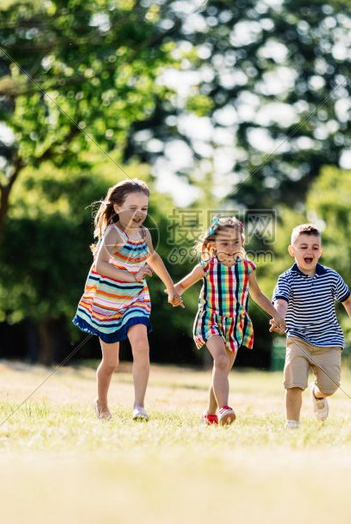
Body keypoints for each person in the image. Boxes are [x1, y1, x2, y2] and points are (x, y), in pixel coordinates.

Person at [73, 179, 181, 422]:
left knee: (141, 343)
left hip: (135, 298)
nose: (139, 213)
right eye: (133, 208)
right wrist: (132, 275)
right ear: (118, 207)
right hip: (108, 302)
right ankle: (101, 404)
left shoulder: (144, 234)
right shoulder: (114, 233)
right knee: (111, 362)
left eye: (144, 208)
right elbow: (100, 265)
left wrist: (171, 288)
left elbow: (153, 258)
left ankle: (139, 406)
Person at [173, 217, 285, 426]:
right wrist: (174, 294)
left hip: (235, 324)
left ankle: (211, 412)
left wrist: (276, 314)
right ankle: (225, 407)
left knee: (221, 369)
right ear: (213, 244)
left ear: (242, 242)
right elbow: (180, 285)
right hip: (210, 320)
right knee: (221, 361)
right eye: (225, 243)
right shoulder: (206, 267)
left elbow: (258, 295)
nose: (231, 247)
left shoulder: (247, 268)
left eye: (236, 242)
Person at [272, 223, 351, 429]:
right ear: (292, 251)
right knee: (293, 384)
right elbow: (281, 302)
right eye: (303, 247)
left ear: (320, 251)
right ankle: (292, 425)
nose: (309, 251)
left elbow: (349, 301)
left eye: (314, 247)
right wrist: (279, 318)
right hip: (298, 339)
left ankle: (317, 395)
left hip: (328, 340)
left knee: (331, 386)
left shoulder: (331, 277)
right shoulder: (287, 279)